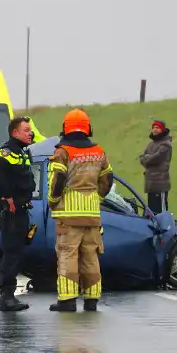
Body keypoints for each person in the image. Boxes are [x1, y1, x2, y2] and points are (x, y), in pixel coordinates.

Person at [47, 109, 113, 312]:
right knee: (91, 256)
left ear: (65, 127)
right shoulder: (99, 151)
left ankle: (67, 300)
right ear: (88, 128)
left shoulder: (63, 151)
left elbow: (57, 180)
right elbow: (108, 180)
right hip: (92, 214)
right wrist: (96, 197)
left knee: (68, 255)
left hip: (68, 215)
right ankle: (92, 300)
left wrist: (53, 200)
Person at [0, 116, 38, 312]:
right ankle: (6, 297)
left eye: (30, 130)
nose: (30, 133)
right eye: (26, 130)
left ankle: (10, 295)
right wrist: (7, 197)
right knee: (11, 253)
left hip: (20, 209)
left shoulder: (23, 152)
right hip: (9, 211)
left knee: (17, 252)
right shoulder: (5, 152)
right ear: (15, 133)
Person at [139, 119, 173, 214]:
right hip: (151, 184)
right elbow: (142, 158)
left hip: (160, 184)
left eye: (157, 128)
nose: (154, 129)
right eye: (153, 127)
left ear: (162, 130)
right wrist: (147, 158)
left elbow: (156, 158)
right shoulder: (151, 144)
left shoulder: (166, 144)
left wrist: (147, 158)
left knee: (161, 213)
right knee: (152, 212)